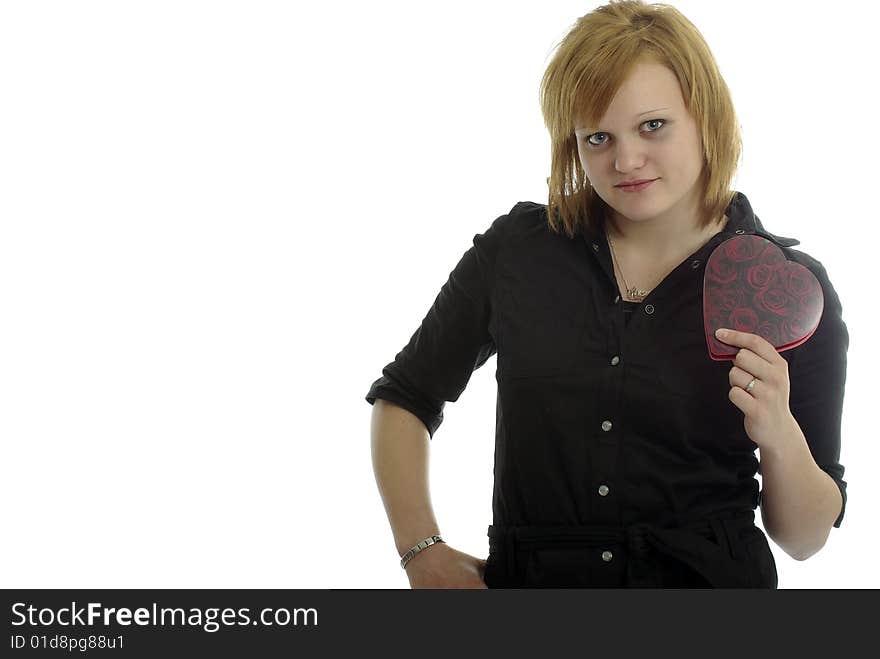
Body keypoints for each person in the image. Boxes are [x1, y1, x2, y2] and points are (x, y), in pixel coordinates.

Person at [366, 0, 848, 589]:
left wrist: (778, 431)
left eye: (653, 126)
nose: (626, 160)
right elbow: (407, 396)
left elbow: (804, 539)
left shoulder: (784, 290)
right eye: (598, 137)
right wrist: (422, 551)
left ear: (706, 116)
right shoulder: (516, 251)